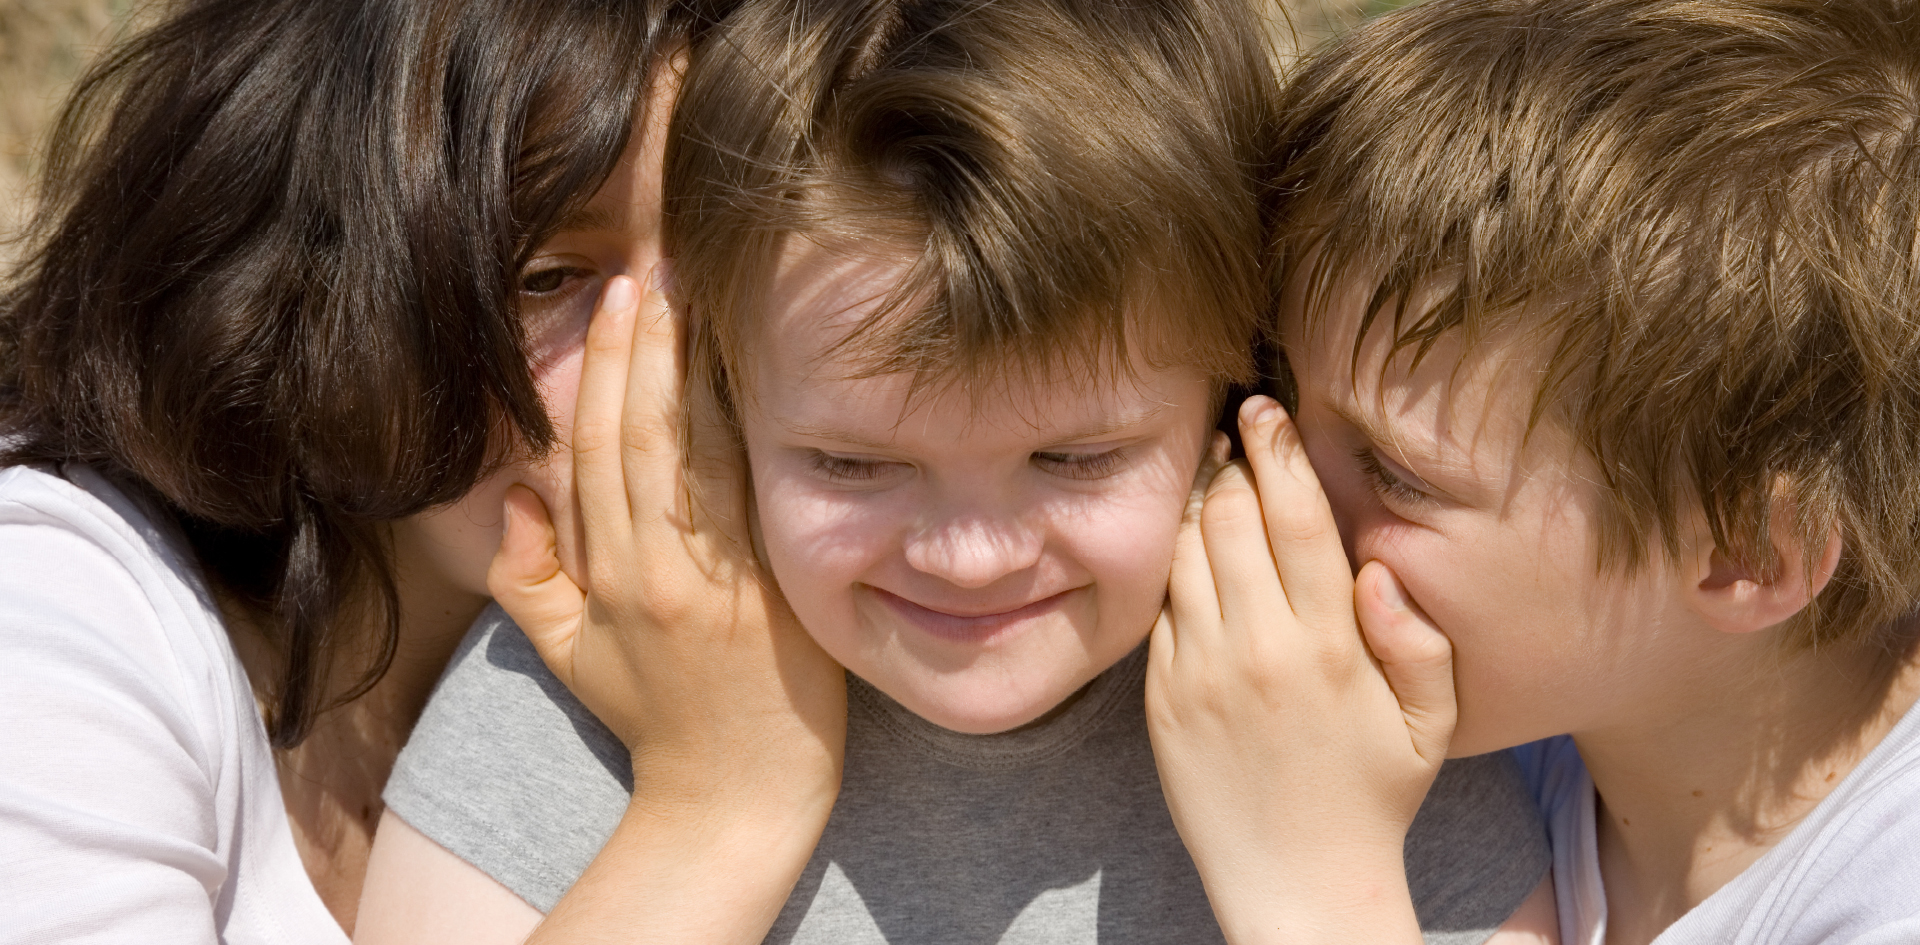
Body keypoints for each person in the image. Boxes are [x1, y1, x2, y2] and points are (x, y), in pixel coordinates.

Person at [354, 1, 1557, 942]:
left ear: (1236, 396)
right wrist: (715, 812)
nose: (969, 555)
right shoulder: (581, 711)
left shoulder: (1334, 722)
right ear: (716, 395)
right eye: (852, 463)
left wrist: (1315, 893)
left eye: (1077, 458)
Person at [1157, 0, 1920, 941]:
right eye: (1273, 390)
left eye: (1397, 474)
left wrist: (1311, 885)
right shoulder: (1518, 729)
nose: (1281, 498)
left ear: (1747, 554)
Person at [0, 0, 716, 938]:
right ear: (315, 287)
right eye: (548, 277)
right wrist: (712, 810)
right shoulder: (59, 617)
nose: (674, 369)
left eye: (723, 267)